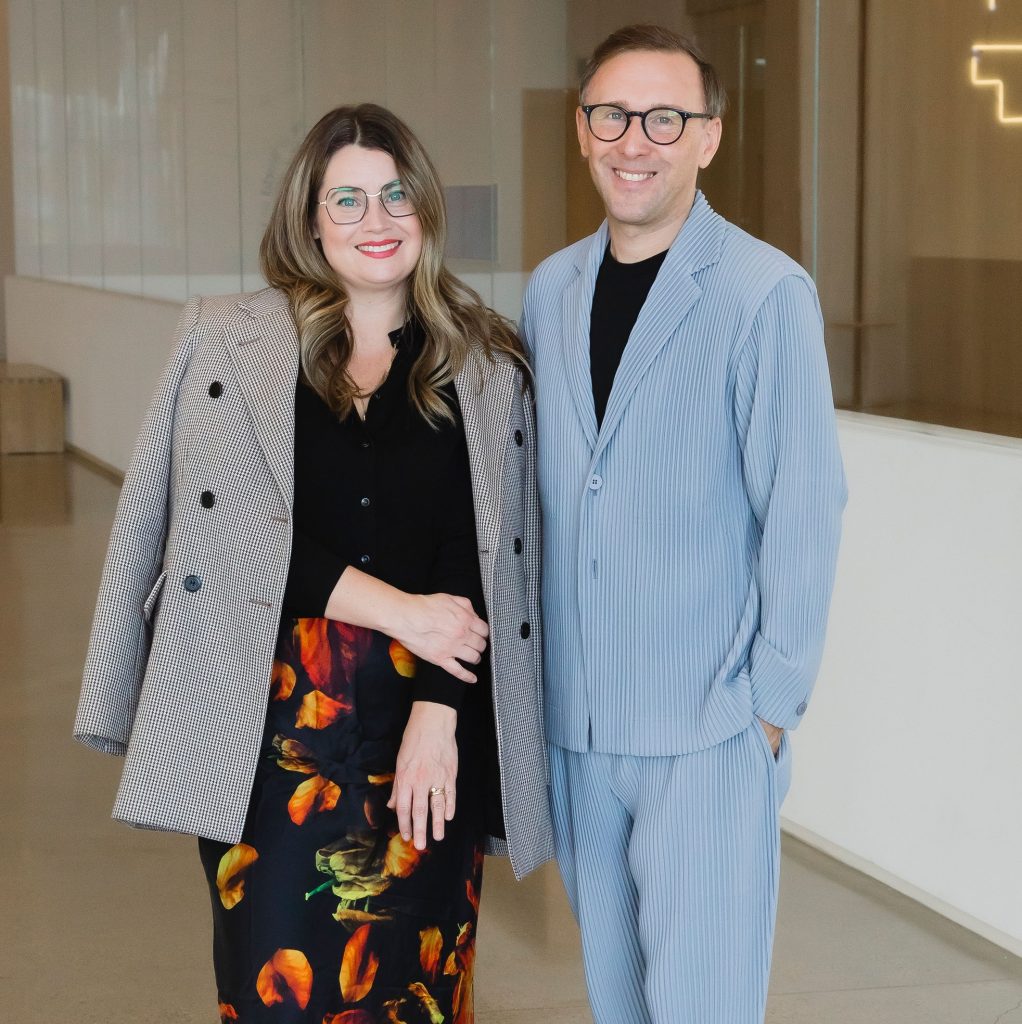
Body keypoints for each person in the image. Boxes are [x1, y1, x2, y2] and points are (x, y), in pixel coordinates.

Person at [74, 103, 552, 1022]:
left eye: (395, 195)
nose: (376, 221)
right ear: (309, 220)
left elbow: (478, 552)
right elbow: (226, 529)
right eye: (348, 201)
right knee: (274, 986)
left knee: (413, 983)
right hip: (275, 713)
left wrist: (439, 719)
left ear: (427, 211)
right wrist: (401, 613)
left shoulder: (485, 360)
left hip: (431, 707)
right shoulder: (228, 338)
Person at [520, 24, 846, 1024]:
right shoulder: (549, 287)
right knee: (617, 1003)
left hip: (705, 729)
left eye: (665, 117)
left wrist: (766, 711)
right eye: (612, 115)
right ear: (581, 132)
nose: (635, 140)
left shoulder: (762, 293)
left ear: (707, 136)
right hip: (579, 725)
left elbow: (803, 505)